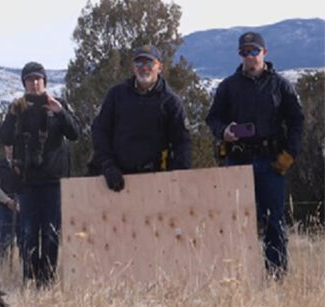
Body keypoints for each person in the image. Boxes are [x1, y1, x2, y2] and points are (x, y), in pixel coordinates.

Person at [206, 32, 304, 280]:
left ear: (264, 53)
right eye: (244, 52)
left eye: (254, 51)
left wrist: (290, 153)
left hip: (271, 163)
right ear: (240, 56)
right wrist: (223, 131)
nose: (250, 57)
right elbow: (213, 118)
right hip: (237, 160)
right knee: (236, 222)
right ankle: (239, 278)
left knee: (273, 223)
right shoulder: (228, 86)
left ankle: (276, 279)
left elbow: (296, 122)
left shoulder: (281, 85)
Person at [0, 61, 80, 287]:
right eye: (30, 80)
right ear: (24, 83)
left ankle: (48, 280)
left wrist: (60, 113)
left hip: (54, 181)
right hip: (27, 182)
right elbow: (5, 138)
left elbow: (75, 133)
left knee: (51, 233)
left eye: (38, 80)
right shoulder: (18, 108)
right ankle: (29, 278)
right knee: (27, 233)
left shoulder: (58, 104)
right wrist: (12, 116)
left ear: (44, 82)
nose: (34, 84)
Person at [90, 45, 191, 192]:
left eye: (149, 63)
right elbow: (100, 131)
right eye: (139, 63)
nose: (144, 68)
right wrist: (107, 165)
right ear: (133, 67)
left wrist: (177, 178)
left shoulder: (171, 102)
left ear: (160, 67)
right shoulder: (116, 95)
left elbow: (182, 143)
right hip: (117, 180)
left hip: (157, 181)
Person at [0, 145, 22, 254]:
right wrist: (7, 201)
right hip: (4, 208)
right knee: (3, 242)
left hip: (21, 207)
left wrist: (19, 203)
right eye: (8, 147)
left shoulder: (23, 165)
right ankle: (3, 268)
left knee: (23, 241)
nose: (11, 150)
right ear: (5, 148)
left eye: (13, 147)